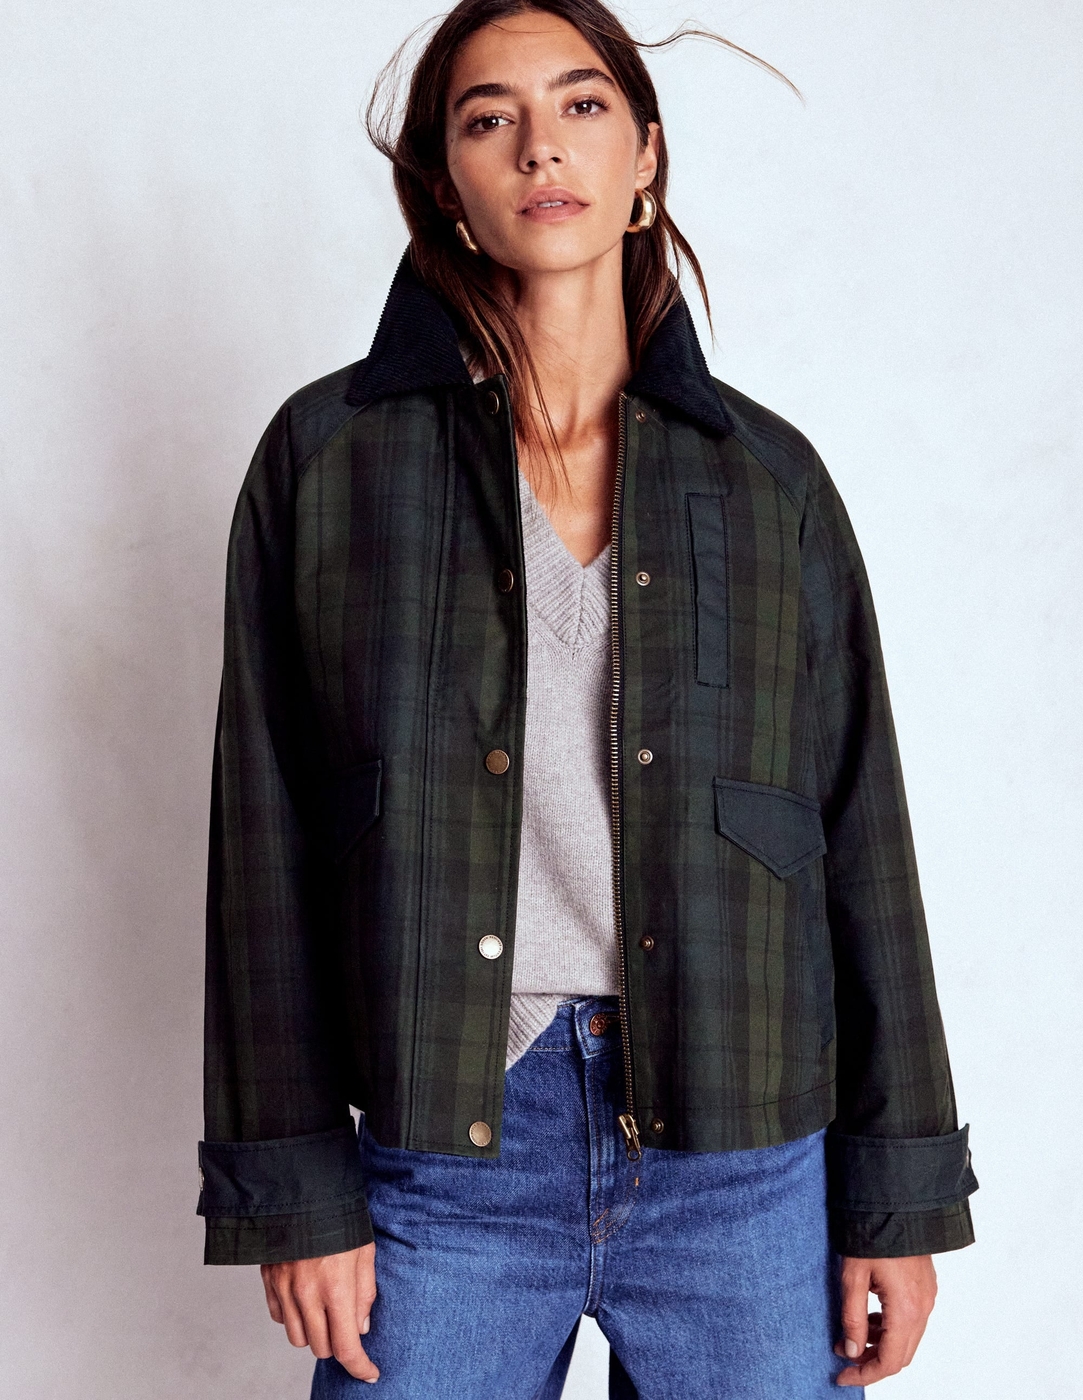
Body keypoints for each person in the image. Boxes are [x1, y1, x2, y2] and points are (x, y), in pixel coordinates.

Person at [197, 2, 978, 1395]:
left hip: (745, 1159)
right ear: (447, 182)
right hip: (446, 1155)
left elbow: (863, 838)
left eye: (581, 106)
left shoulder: (769, 483)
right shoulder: (332, 462)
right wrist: (295, 1187)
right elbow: (263, 846)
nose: (539, 147)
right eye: (488, 118)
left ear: (644, 159)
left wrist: (897, 1197)